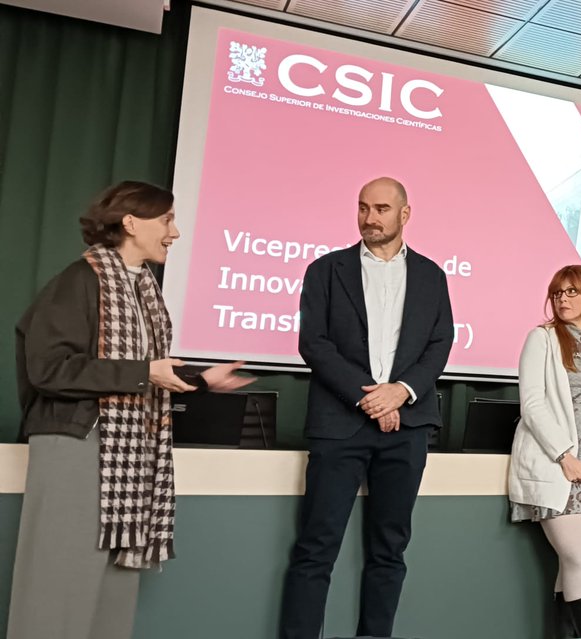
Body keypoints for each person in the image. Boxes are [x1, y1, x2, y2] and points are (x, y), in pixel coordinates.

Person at [8, 181, 252, 639]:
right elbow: (49, 369)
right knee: (59, 583)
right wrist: (145, 373)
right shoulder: (80, 280)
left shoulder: (142, 290)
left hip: (127, 451)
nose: (175, 232)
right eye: (167, 220)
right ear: (131, 223)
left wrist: (201, 380)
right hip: (77, 444)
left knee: (113, 588)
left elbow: (143, 370)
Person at [279, 177, 453, 639]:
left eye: (381, 208)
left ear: (404, 214)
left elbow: (440, 344)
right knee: (316, 548)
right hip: (339, 425)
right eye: (363, 208)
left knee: (389, 551)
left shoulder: (433, 276)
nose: (369, 218)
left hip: (407, 427)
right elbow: (314, 344)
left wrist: (401, 391)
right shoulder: (325, 270)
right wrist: (371, 397)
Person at [507, 265, 581, 638]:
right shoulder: (541, 339)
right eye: (558, 293)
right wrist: (565, 456)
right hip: (557, 468)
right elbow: (532, 404)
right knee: (579, 561)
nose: (563, 298)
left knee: (573, 566)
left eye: (572, 291)